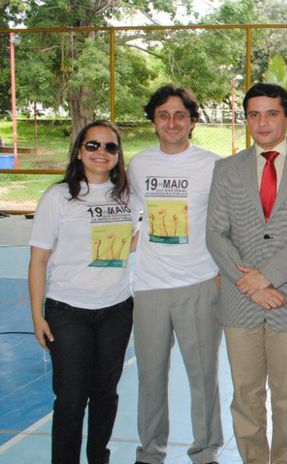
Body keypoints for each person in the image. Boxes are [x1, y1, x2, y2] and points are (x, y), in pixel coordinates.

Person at [206, 82, 287, 464]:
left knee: (286, 393)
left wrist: (268, 277)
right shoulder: (226, 169)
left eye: (271, 113)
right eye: (253, 114)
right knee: (245, 394)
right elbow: (216, 233)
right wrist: (251, 285)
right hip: (239, 300)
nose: (262, 122)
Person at [28, 120, 135, 464]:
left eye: (110, 147)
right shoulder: (58, 197)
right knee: (71, 399)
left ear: (118, 156)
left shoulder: (130, 198)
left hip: (117, 311)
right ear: (79, 151)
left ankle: (98, 458)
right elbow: (39, 260)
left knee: (105, 395)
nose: (101, 153)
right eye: (93, 145)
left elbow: (137, 242)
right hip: (68, 312)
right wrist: (37, 317)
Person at [127, 85, 223, 464]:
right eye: (164, 115)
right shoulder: (138, 165)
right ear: (154, 121)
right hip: (149, 288)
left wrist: (219, 275)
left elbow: (225, 223)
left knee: (203, 379)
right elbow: (131, 218)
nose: (172, 122)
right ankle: (150, 453)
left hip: (199, 286)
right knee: (150, 380)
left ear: (192, 121)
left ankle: (205, 452)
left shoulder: (212, 165)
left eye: (179, 115)